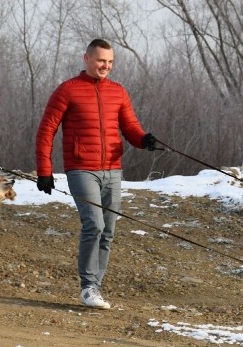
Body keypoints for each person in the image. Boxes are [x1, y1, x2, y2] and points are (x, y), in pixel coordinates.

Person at [35, 38, 157, 309]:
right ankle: (88, 287)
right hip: (81, 169)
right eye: (102, 60)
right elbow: (46, 131)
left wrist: (144, 140)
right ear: (87, 59)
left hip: (112, 170)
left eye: (111, 62)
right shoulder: (67, 90)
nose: (106, 66)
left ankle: (96, 287)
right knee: (95, 224)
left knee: (109, 230)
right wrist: (44, 170)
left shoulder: (118, 92)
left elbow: (131, 127)